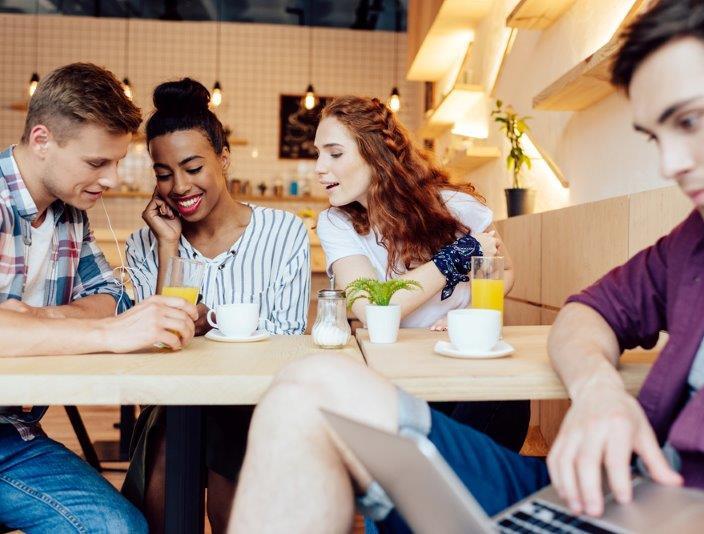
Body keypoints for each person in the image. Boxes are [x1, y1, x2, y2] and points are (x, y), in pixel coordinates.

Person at [228, 0, 704, 531]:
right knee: (308, 387)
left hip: (678, 514)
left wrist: (477, 287)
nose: (672, 164)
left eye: (692, 120)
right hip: (598, 490)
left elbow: (496, 279)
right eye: (657, 136)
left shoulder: (456, 206)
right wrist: (599, 393)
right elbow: (588, 311)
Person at [0, 63, 201, 532]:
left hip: (14, 434)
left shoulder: (69, 211)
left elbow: (110, 294)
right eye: (97, 163)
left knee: (122, 527)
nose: (111, 179)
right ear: (43, 140)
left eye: (116, 162)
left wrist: (35, 318)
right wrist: (109, 333)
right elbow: (112, 317)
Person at [122, 78, 310, 533]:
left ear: (223, 159)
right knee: (166, 477)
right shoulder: (144, 245)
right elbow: (155, 348)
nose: (179, 186)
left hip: (256, 403)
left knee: (230, 476)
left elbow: (286, 338)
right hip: (173, 404)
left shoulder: (284, 232)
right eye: (164, 173)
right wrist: (168, 245)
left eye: (192, 167)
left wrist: (210, 320)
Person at [313, 95, 529, 451]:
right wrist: (453, 259)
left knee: (504, 394)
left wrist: (476, 310)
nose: (319, 167)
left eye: (334, 154)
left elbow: (504, 270)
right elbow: (373, 309)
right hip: (401, 384)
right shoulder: (337, 224)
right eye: (318, 153)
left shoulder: (455, 206)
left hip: (470, 371)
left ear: (376, 153)